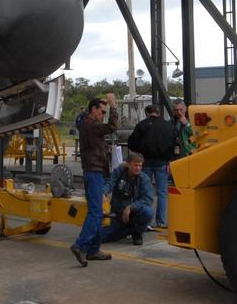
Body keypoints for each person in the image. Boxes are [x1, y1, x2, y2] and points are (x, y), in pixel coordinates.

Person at [71, 92, 118, 267]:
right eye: (102, 111)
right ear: (93, 110)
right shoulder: (91, 124)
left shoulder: (89, 125)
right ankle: (81, 245)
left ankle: (93, 250)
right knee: (96, 212)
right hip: (94, 172)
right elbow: (112, 126)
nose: (104, 115)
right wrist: (113, 104)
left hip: (95, 171)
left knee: (97, 212)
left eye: (106, 111)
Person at [125, 104, 175, 228]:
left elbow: (131, 142)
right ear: (158, 112)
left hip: (145, 162)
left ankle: (145, 221)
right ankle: (161, 221)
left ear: (147, 113)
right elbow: (173, 144)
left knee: (144, 191)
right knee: (162, 192)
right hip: (162, 162)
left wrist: (139, 152)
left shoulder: (142, 125)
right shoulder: (167, 126)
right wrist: (169, 159)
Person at [101, 151, 155, 245]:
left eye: (140, 165)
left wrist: (131, 207)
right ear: (128, 164)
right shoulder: (119, 172)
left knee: (148, 212)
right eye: (135, 165)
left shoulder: (144, 179)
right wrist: (103, 192)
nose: (138, 168)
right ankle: (126, 230)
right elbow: (110, 183)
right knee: (100, 237)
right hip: (118, 213)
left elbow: (148, 198)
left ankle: (137, 233)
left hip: (134, 213)